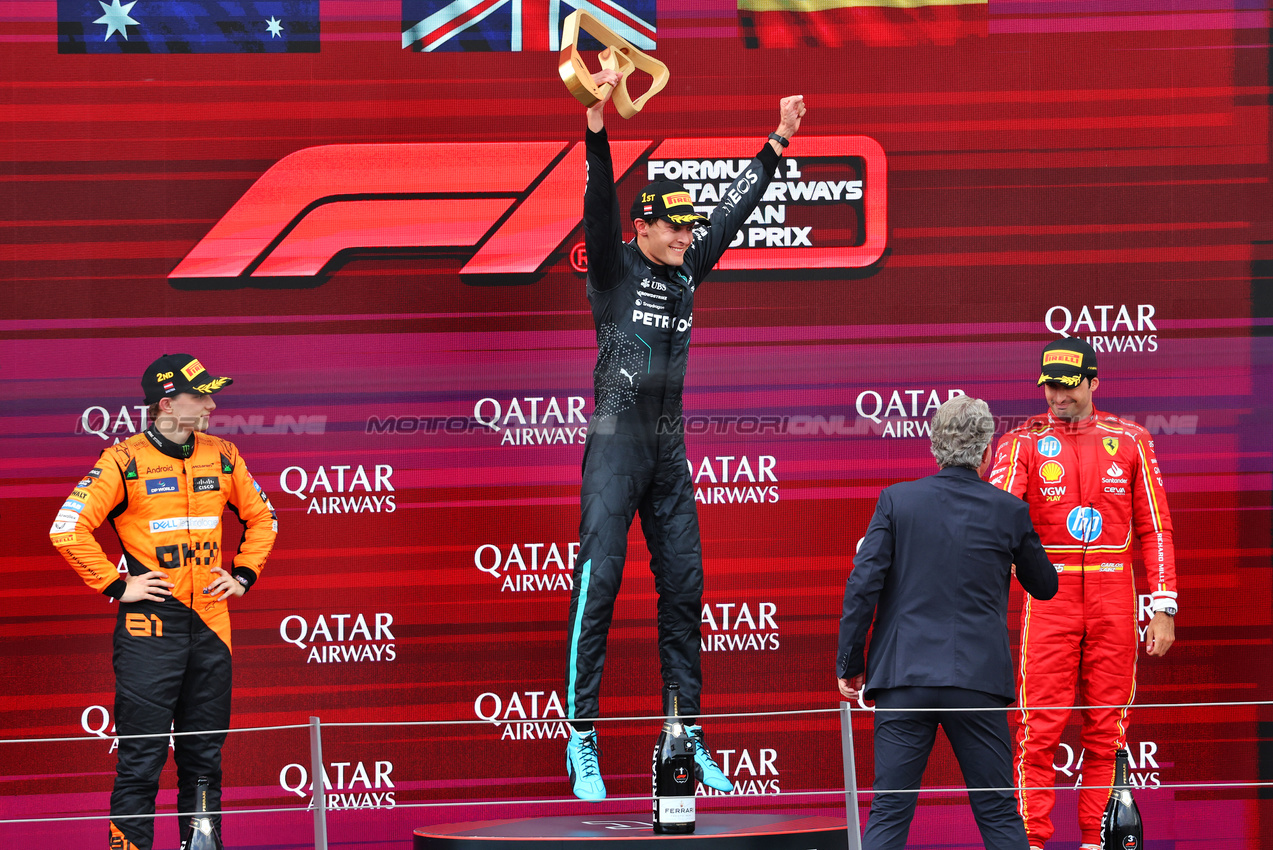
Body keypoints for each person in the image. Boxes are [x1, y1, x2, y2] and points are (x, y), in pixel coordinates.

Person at [563, 69, 806, 801]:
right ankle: (581, 740)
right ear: (644, 228)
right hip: (613, 449)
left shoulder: (688, 268)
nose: (686, 234)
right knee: (597, 588)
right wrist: (597, 124)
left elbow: (733, 209)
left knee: (684, 592)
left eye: (687, 226)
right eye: (673, 225)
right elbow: (598, 205)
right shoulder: (613, 267)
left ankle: (685, 738)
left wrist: (778, 141)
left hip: (667, 453)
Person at [50, 354, 277, 850]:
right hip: (148, 630)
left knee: (203, 757)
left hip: (212, 628)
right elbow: (67, 528)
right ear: (167, 404)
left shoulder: (223, 455)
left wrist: (243, 574)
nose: (213, 405)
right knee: (141, 757)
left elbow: (265, 518)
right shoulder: (123, 459)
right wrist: (116, 585)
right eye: (202, 396)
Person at [838, 395, 1058, 850]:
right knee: (998, 810)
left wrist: (850, 664)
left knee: (889, 811)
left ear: (934, 448)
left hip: (904, 679)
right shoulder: (1008, 510)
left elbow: (863, 587)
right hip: (976, 681)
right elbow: (1046, 586)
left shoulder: (897, 501)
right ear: (987, 453)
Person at [989, 339, 1177, 850]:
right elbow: (995, 523)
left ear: (1094, 382)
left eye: (1069, 386)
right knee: (1038, 730)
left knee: (1108, 732)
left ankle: (1099, 843)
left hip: (1115, 595)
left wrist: (1163, 606)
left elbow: (1155, 528)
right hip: (1048, 597)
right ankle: (1029, 841)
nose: (1058, 397)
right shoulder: (1021, 442)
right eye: (1050, 386)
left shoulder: (1132, 438)